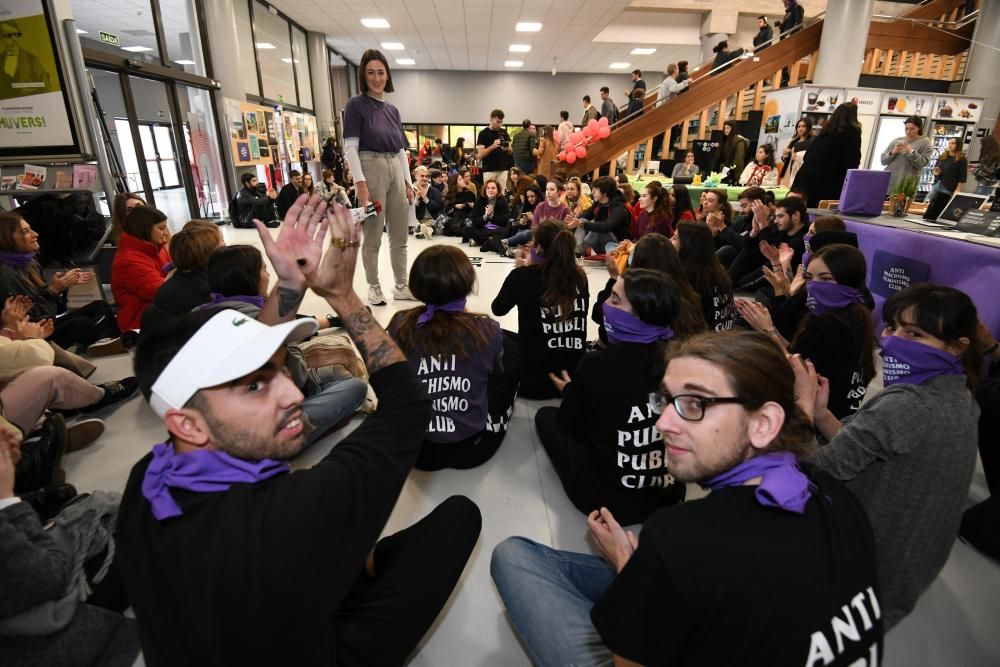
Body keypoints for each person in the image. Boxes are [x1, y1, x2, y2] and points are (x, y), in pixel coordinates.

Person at [117, 196, 482, 665]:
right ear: (188, 422)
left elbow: (236, 389)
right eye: (255, 387)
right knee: (459, 517)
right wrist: (343, 296)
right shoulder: (292, 513)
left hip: (234, 628)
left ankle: (354, 566)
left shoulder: (150, 477)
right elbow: (408, 406)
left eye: (276, 372)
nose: (290, 394)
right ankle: (358, 567)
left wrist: (288, 287)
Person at [492, 331, 883, 667]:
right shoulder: (839, 499)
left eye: (695, 404)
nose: (663, 422)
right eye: (667, 399)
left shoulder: (679, 537)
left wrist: (629, 570)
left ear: (765, 422)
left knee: (513, 556)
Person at [800, 283, 980, 629]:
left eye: (915, 333)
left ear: (957, 347)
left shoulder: (909, 405)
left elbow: (818, 471)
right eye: (893, 327)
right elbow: (861, 446)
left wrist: (802, 412)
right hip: (906, 574)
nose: (894, 340)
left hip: (863, 584)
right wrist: (822, 414)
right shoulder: (958, 392)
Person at [536, 269, 687, 525]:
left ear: (640, 314)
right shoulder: (683, 362)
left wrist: (573, 392)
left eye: (615, 299)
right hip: (667, 493)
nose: (605, 303)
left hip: (608, 503)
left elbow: (571, 423)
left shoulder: (597, 365)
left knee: (546, 417)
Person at [388, 246, 517, 470]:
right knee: (510, 356)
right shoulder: (487, 329)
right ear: (466, 285)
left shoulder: (400, 324)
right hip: (471, 448)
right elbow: (496, 375)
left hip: (415, 451)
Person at [739, 243, 875, 419]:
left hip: (817, 415)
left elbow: (796, 370)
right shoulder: (853, 312)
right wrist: (769, 328)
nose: (814, 286)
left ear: (848, 280)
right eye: (810, 278)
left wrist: (767, 331)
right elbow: (799, 354)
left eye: (825, 279)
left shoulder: (833, 322)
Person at [342, 49, 417, 307]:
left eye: (381, 72)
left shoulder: (393, 110)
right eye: (371, 72)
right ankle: (373, 286)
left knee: (400, 234)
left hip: (394, 166)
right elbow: (350, 147)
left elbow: (400, 150)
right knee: (373, 233)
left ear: (387, 75)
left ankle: (401, 285)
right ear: (364, 75)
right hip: (370, 165)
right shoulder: (355, 105)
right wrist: (360, 184)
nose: (376, 78)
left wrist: (408, 182)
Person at [492, 220, 588, 399]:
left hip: (532, 383)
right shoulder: (580, 277)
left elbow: (498, 309)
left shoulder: (523, 276)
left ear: (540, 249)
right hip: (571, 379)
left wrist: (521, 272)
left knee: (491, 330)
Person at [0, 214, 122, 355]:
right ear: (7, 239)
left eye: (30, 229)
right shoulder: (5, 275)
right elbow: (36, 319)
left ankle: (104, 342)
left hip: (44, 323)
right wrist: (54, 290)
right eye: (25, 231)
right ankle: (103, 343)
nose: (35, 234)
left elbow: (57, 310)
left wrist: (63, 287)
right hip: (32, 335)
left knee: (100, 306)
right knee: (83, 325)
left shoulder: (30, 263)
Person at [592, 234, 707, 347]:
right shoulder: (687, 293)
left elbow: (600, 316)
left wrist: (613, 279)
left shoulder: (638, 293)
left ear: (638, 261)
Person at [141, 222, 224, 333]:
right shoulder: (206, 289)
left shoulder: (177, 278)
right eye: (220, 244)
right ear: (206, 253)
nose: (224, 246)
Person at [110, 206, 172, 331]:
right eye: (161, 228)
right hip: (139, 321)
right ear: (145, 228)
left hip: (154, 312)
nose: (166, 232)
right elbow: (159, 292)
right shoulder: (128, 260)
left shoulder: (155, 248)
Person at [728, 196, 808, 292]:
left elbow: (771, 251)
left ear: (796, 215)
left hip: (780, 277)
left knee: (769, 263)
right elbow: (747, 246)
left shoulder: (802, 239)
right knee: (747, 250)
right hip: (766, 266)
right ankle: (727, 283)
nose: (776, 221)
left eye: (780, 216)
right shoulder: (782, 230)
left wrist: (763, 224)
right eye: (776, 216)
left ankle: (729, 285)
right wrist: (755, 231)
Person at [792, 103, 863, 207]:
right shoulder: (852, 134)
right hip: (829, 183)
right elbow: (852, 162)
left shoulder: (824, 133)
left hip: (804, 180)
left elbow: (807, 156)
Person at [675, 221, 736, 332]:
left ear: (687, 245)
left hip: (704, 343)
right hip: (723, 335)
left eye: (675, 238)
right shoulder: (716, 269)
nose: (669, 241)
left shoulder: (689, 276)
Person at [500, 179, 569, 254]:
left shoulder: (564, 209)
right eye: (547, 189)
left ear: (558, 192)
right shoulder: (540, 206)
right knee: (528, 233)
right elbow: (534, 226)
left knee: (528, 233)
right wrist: (521, 222)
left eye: (552, 189)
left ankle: (512, 247)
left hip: (554, 238)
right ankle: (511, 246)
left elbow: (564, 231)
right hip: (539, 236)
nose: (548, 192)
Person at [568, 176, 631, 255]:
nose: (592, 192)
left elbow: (606, 226)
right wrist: (573, 221)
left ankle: (577, 252)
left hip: (618, 245)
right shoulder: (598, 203)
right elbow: (586, 215)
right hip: (600, 243)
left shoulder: (619, 207)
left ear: (605, 192)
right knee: (582, 221)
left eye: (596, 190)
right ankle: (577, 251)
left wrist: (581, 223)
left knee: (595, 228)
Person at [880, 115, 933, 195]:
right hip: (888, 183)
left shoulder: (925, 142)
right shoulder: (897, 140)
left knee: (899, 207)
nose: (908, 131)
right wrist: (893, 152)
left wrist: (911, 152)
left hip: (906, 186)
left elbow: (922, 163)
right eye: (906, 128)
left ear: (919, 128)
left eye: (912, 129)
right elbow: (883, 161)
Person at [715, 185, 766, 267]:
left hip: (749, 265)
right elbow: (724, 240)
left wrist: (722, 227)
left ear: (757, 205)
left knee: (728, 250)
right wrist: (715, 234)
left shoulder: (764, 225)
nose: (741, 211)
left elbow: (744, 244)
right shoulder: (743, 221)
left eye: (744, 206)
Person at [0, 20, 52, 98]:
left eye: (16, 34)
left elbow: (46, 87)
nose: (14, 39)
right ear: (1, 38)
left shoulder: (32, 60)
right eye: (8, 36)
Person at [923, 137, 968, 220]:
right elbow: (936, 170)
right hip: (938, 185)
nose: (950, 145)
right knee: (931, 207)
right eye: (949, 143)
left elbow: (962, 176)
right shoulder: (943, 156)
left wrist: (958, 189)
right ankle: (927, 220)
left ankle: (931, 221)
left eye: (953, 143)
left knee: (939, 207)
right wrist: (936, 172)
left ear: (958, 145)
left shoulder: (962, 159)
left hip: (948, 187)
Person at [464, 179, 510, 249]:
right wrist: (485, 216)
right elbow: (474, 219)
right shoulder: (480, 199)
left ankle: (480, 241)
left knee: (505, 231)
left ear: (498, 190)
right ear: (485, 190)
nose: (490, 190)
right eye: (488, 188)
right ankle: (489, 240)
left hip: (497, 228)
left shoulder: (502, 200)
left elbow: (504, 220)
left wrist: (492, 216)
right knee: (466, 229)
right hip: (483, 228)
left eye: (493, 188)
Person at [477, 109, 514, 192]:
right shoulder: (483, 134)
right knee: (489, 195)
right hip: (489, 170)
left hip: (503, 169)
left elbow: (511, 152)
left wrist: (507, 149)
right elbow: (480, 155)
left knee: (502, 195)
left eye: (501, 122)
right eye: (497, 122)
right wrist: (492, 147)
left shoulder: (504, 132)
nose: (499, 124)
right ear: (491, 120)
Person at [780, 117, 813, 187]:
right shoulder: (793, 142)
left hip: (801, 174)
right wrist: (785, 156)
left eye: (803, 126)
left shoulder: (812, 143)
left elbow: (812, 160)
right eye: (799, 126)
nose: (800, 128)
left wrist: (797, 158)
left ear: (808, 127)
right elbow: (787, 161)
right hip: (788, 173)